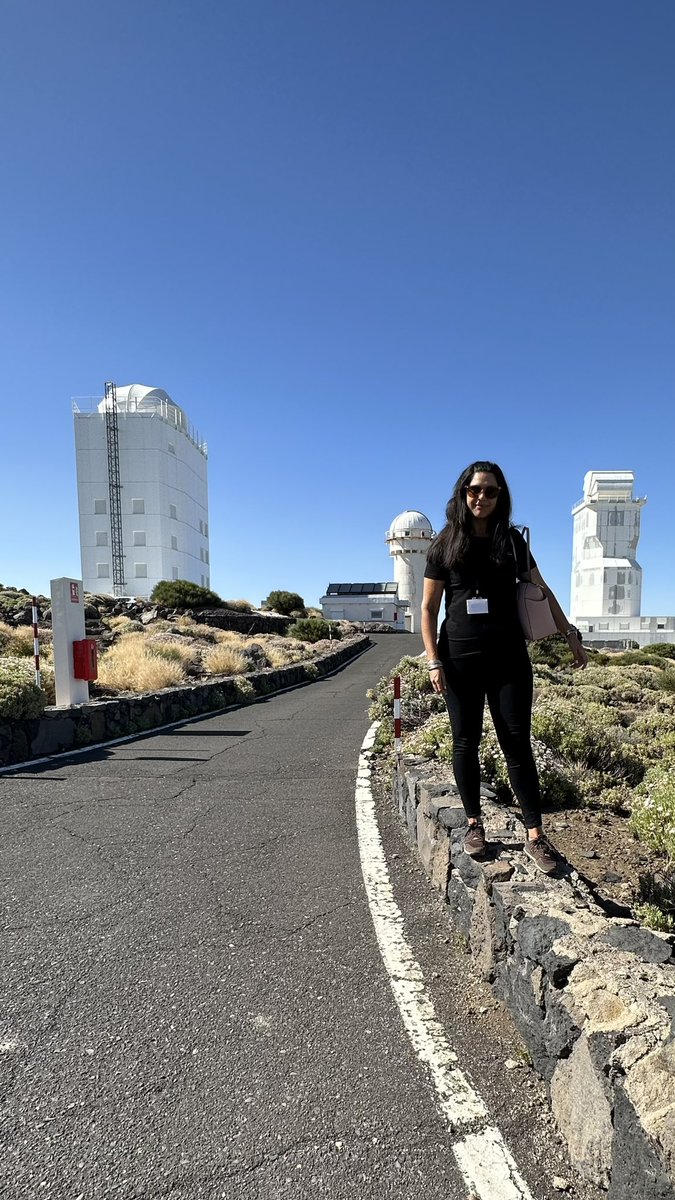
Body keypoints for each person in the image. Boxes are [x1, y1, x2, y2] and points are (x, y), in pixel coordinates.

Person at [421, 461, 587, 874]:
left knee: (517, 743)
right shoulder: (444, 544)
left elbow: (542, 590)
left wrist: (570, 635)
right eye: (475, 490)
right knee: (466, 741)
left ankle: (535, 834)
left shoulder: (511, 542)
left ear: (501, 496)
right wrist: (433, 661)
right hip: (458, 659)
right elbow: (426, 609)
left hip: (509, 659)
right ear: (463, 494)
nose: (482, 498)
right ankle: (474, 825)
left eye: (490, 491)